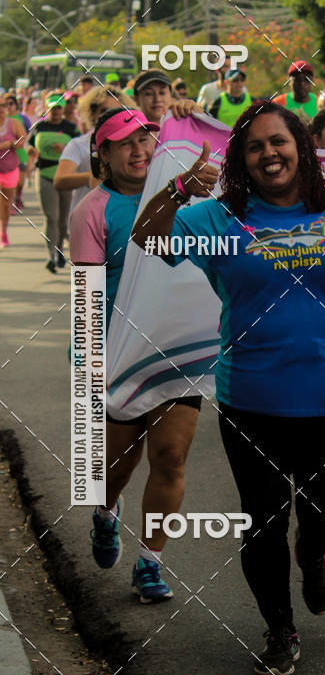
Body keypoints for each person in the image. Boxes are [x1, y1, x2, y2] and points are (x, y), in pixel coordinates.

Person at [134, 101, 325, 675]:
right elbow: (147, 239)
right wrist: (177, 190)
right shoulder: (218, 220)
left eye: (279, 142)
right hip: (251, 401)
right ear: (242, 160)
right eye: (255, 146)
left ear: (303, 149)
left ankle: (314, 551)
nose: (270, 153)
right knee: (261, 521)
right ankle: (279, 629)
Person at [70, 108, 208, 603]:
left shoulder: (185, 193)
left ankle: (150, 562)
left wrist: (193, 121)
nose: (139, 150)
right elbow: (86, 294)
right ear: (102, 153)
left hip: (176, 351)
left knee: (170, 457)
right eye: (124, 142)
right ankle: (105, 513)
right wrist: (89, 362)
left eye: (146, 139)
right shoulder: (92, 209)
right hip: (117, 355)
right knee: (116, 466)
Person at [54, 85, 135, 216]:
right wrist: (92, 176)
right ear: (92, 114)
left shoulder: (133, 145)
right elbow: (60, 180)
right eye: (104, 111)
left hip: (120, 220)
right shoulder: (78, 145)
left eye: (117, 111)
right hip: (85, 220)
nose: (111, 116)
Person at [27, 94, 79, 271]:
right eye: (52, 108)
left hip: (65, 176)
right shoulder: (39, 126)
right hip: (45, 174)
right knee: (51, 217)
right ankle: (51, 255)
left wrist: (65, 149)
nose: (55, 111)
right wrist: (31, 150)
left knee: (63, 220)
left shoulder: (71, 128)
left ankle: (59, 251)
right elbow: (27, 143)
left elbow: (80, 150)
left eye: (58, 108)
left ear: (63, 109)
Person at [0, 97, 27, 247]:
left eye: (3, 106)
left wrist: (10, 144)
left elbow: (23, 140)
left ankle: (3, 232)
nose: (1, 109)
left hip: (10, 169)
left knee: (5, 204)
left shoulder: (13, 123)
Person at [3, 93, 30, 214]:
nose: (8, 107)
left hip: (20, 154)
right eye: (5, 104)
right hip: (5, 159)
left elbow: (27, 136)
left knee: (20, 182)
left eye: (11, 104)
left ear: (16, 105)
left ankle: (17, 197)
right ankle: (10, 204)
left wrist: (11, 143)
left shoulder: (22, 118)